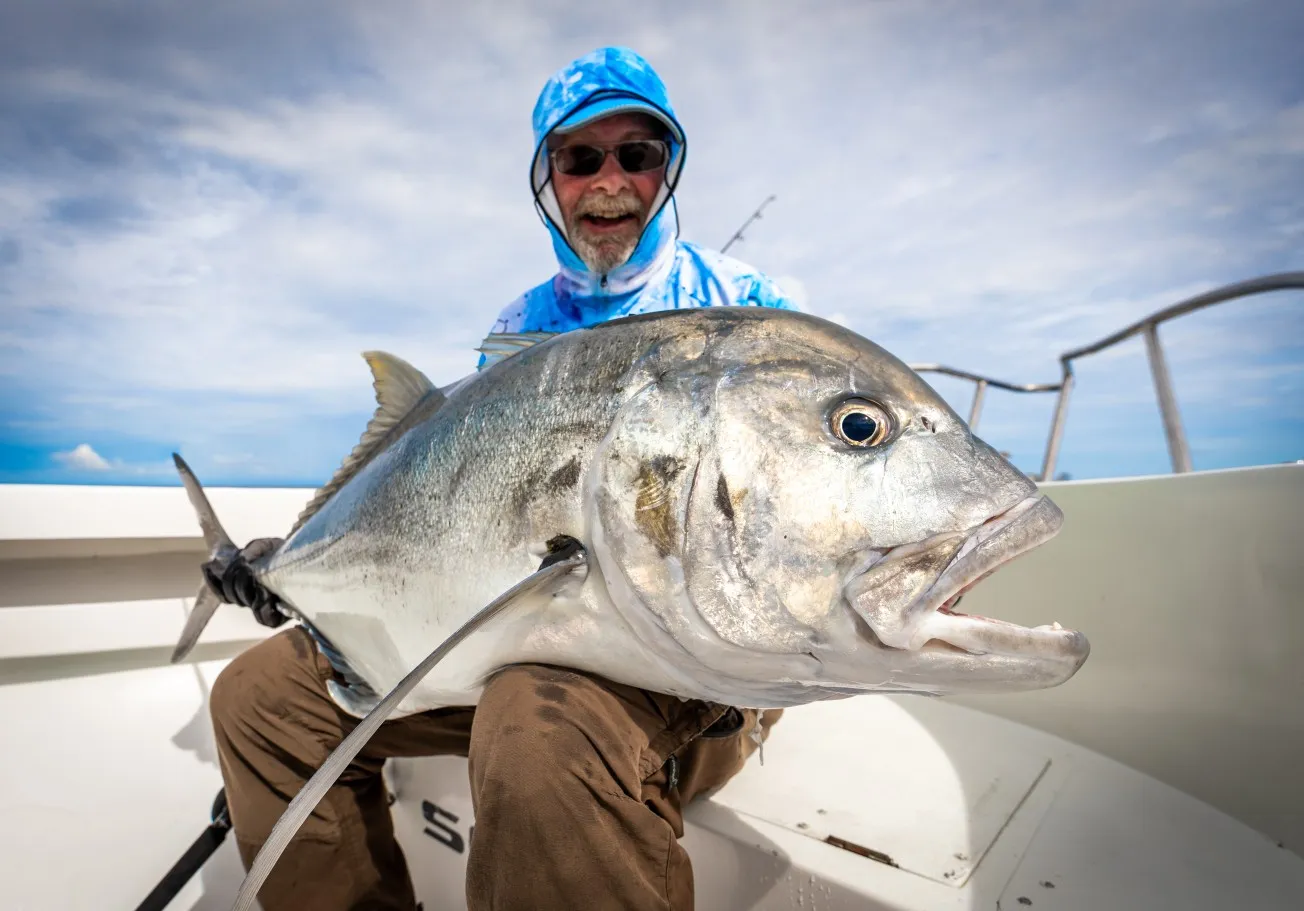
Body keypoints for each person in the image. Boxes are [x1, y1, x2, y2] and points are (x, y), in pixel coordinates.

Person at [205, 46, 802, 911]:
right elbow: (452, 504)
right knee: (259, 699)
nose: (609, 182)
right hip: (524, 639)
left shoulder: (745, 306)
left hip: (695, 665)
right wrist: (294, 565)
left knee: (531, 723)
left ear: (665, 167)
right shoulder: (517, 327)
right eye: (579, 157)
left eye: (636, 155)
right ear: (547, 175)